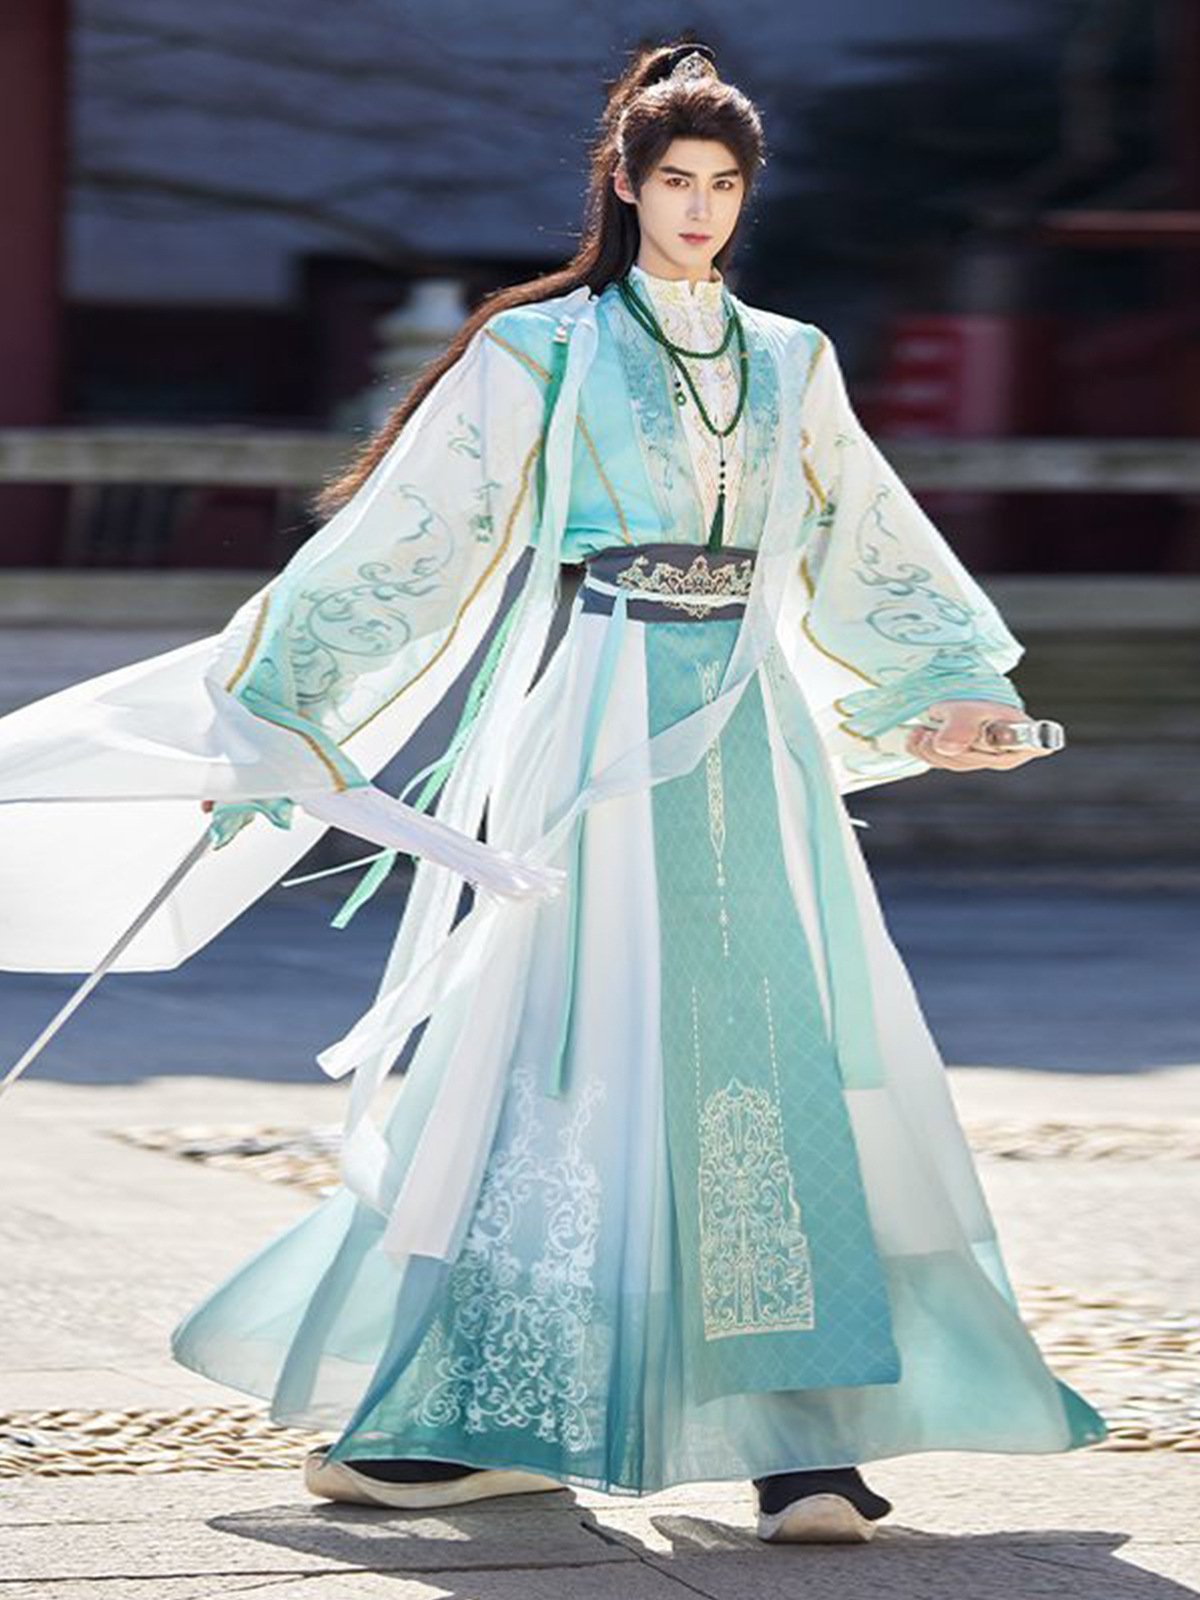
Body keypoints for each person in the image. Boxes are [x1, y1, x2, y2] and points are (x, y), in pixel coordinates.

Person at [0, 39, 1106, 1545]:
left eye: (725, 184)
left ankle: (805, 1440)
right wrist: (283, 706)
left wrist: (951, 690)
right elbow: (415, 538)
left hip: (751, 724)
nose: (701, 208)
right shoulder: (543, 352)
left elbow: (866, 536)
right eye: (677, 180)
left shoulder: (792, 359)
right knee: (570, 1045)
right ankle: (483, 1416)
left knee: (780, 1040)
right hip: (602, 718)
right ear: (625, 187)